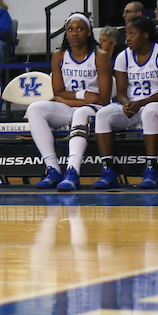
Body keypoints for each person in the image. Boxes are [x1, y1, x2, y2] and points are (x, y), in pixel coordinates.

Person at [25, 12, 112, 191]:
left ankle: (73, 172)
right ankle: (53, 169)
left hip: (94, 110)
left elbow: (102, 98)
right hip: (73, 105)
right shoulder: (59, 55)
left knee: (81, 113)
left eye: (80, 29)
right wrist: (82, 96)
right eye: (70, 30)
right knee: (35, 108)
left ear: (89, 32)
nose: (74, 33)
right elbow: (57, 92)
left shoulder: (100, 56)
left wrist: (68, 99)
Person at [93, 17, 158, 190]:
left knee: (149, 112)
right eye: (127, 35)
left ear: (145, 35)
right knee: (102, 115)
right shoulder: (124, 56)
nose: (127, 39)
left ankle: (151, 170)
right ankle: (108, 171)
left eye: (132, 34)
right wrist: (126, 104)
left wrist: (139, 103)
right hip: (134, 106)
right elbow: (122, 92)